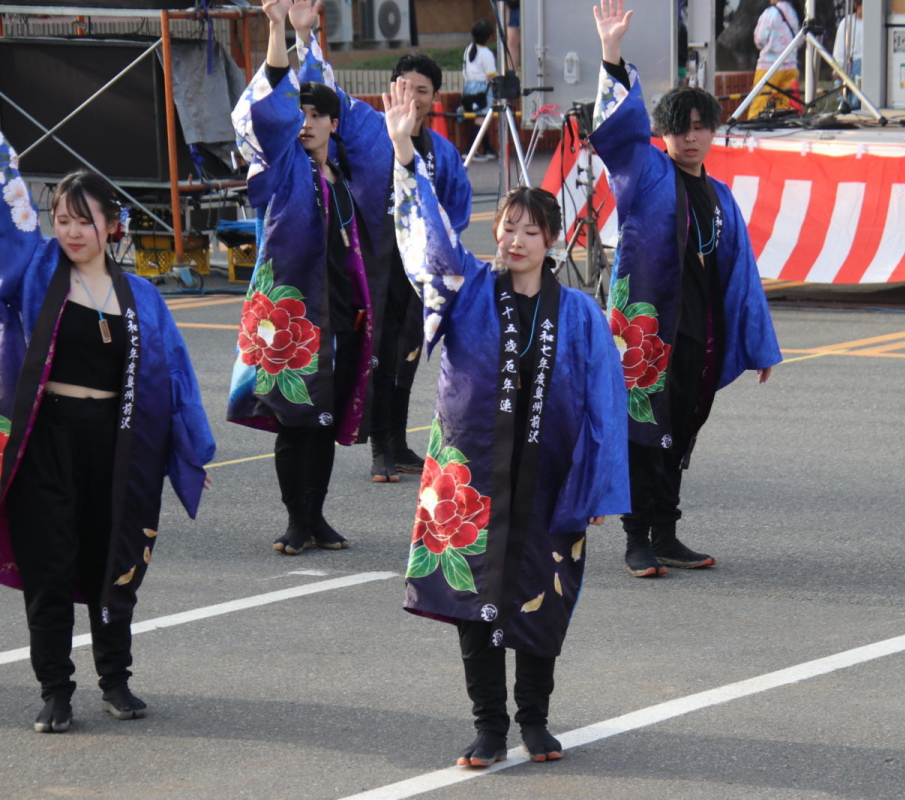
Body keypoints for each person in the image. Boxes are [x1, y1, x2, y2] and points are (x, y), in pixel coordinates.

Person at [384, 77, 628, 766]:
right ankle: (489, 725)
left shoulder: (578, 312)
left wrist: (598, 486)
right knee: (471, 601)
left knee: (540, 599)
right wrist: (404, 155)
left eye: (529, 229)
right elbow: (428, 238)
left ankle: (536, 720)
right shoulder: (466, 289)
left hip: (548, 481)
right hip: (471, 478)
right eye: (506, 228)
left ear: (551, 240)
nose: (514, 238)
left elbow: (604, 402)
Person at [0, 133, 215, 732]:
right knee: (48, 565)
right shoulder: (38, 272)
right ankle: (55, 691)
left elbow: (175, 377)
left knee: (109, 560)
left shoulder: (141, 297)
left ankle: (116, 682)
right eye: (61, 220)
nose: (69, 232)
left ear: (110, 224)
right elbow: (7, 216)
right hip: (46, 439)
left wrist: (192, 449)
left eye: (82, 220)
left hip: (116, 444)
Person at [591, 0, 781, 579]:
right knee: (642, 431)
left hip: (698, 328)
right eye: (680, 128)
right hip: (647, 328)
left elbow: (743, 273)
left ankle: (668, 533)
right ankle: (636, 540)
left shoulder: (721, 195)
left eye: (701, 127)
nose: (691, 138)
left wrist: (758, 344)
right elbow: (615, 133)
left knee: (681, 429)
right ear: (663, 133)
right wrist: (611, 53)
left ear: (713, 131)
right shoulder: (644, 170)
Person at [229, 0, 391, 553]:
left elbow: (340, 105)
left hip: (340, 315)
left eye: (317, 115)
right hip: (293, 320)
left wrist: (308, 35)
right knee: (293, 419)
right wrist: (279, 31)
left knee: (322, 421)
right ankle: (296, 519)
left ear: (332, 124)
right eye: (299, 114)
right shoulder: (281, 165)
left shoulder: (347, 178)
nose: (305, 122)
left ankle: (317, 516)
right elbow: (271, 112)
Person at [364, 52, 474, 482]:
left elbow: (458, 211)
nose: (413, 98)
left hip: (420, 268)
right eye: (405, 88)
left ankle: (396, 440)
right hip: (375, 263)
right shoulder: (371, 137)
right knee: (377, 353)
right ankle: (378, 448)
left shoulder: (443, 153)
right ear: (392, 90)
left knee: (408, 352)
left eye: (423, 91)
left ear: (434, 97)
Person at [749, 0, 802, 118]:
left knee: (760, 100)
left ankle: (752, 128)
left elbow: (759, 39)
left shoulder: (770, 13)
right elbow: (799, 38)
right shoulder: (792, 13)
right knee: (786, 102)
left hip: (769, 66)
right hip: (790, 65)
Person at [461, 18, 498, 162]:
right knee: (482, 118)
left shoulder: (469, 49)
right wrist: (495, 92)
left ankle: (488, 149)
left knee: (481, 118)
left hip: (469, 87)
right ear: (490, 37)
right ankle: (470, 151)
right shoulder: (487, 53)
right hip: (483, 89)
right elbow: (490, 76)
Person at [832, 0, 863, 111]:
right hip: (853, 67)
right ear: (857, 5)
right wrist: (838, 70)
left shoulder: (875, 25)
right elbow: (839, 51)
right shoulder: (846, 23)